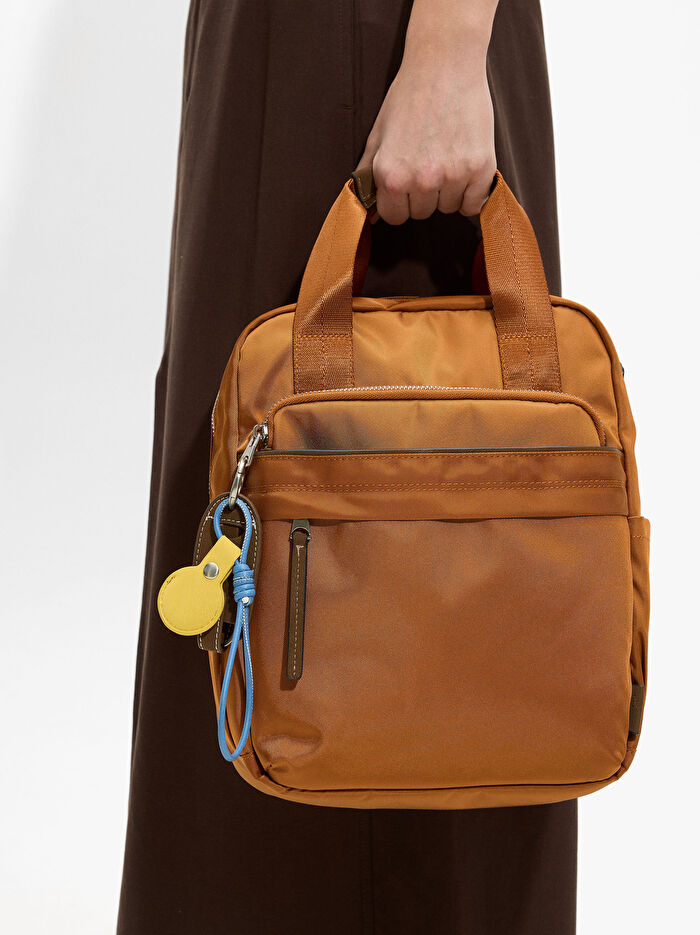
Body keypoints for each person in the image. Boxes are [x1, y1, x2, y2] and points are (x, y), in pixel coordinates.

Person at [117, 1, 576, 932]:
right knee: (254, 504)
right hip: (262, 43)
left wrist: (448, 49)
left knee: (435, 556)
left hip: (386, 40)